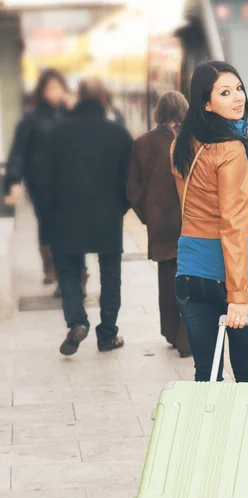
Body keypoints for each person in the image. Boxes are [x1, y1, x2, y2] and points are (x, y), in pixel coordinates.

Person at [171, 61, 248, 382]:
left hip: (190, 271)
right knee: (247, 376)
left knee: (207, 374)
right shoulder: (230, 149)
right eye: (225, 92)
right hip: (236, 273)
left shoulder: (179, 145)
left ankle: (208, 434)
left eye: (238, 88)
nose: (238, 98)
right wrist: (238, 297)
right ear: (206, 103)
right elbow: (233, 223)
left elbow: (197, 204)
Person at [46, 76, 133, 356]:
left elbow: (47, 176)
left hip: (68, 215)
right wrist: (119, 207)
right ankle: (107, 334)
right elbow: (129, 181)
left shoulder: (58, 132)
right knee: (110, 275)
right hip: (108, 215)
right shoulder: (119, 134)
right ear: (104, 99)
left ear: (78, 97)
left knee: (69, 270)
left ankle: (77, 321)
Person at [127, 91, 191, 358]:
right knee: (189, 277)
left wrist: (148, 215)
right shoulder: (190, 142)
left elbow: (132, 190)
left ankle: (169, 330)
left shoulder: (141, 144)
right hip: (190, 220)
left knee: (167, 276)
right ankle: (186, 337)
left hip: (160, 222)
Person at [3, 68, 71, 285]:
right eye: (50, 88)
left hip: (68, 183)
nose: (55, 92)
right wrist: (14, 181)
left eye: (58, 88)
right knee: (47, 224)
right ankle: (50, 267)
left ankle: (66, 269)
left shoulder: (71, 115)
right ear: (42, 91)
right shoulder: (31, 118)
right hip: (40, 184)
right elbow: (19, 151)